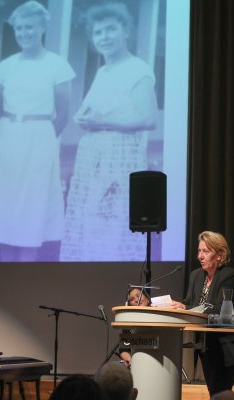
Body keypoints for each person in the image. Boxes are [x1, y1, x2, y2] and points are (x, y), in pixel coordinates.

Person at [60, 2, 157, 262]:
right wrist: (84, 119)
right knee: (90, 222)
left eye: (111, 29)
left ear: (126, 31)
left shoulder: (137, 69)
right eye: (98, 32)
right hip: (93, 157)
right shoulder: (103, 71)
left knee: (113, 222)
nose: (104, 36)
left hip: (120, 157)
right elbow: (95, 112)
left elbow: (148, 119)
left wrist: (101, 122)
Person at [0, 0, 75, 261]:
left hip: (39, 139)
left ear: (42, 28)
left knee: (32, 208)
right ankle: (6, 268)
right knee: (5, 206)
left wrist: (42, 139)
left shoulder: (57, 65)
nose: (24, 33)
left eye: (30, 27)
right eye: (19, 28)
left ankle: (26, 268)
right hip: (8, 138)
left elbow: (63, 114)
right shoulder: (5, 66)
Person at [169, 231, 234, 397]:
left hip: (226, 347)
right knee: (215, 394)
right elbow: (189, 302)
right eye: (199, 251)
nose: (200, 256)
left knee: (219, 393)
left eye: (205, 251)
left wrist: (187, 308)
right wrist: (180, 306)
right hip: (206, 348)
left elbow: (220, 309)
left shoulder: (230, 275)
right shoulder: (196, 275)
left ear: (220, 255)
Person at [119, 288, 150, 368]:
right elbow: (123, 349)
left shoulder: (161, 313)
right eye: (132, 299)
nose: (136, 300)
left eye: (138, 296)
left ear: (147, 298)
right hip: (137, 365)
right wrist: (128, 359)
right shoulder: (129, 322)